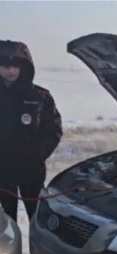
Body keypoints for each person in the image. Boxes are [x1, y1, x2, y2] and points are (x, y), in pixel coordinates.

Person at [0, 40, 62, 222]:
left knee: (37, 219)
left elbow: (54, 130)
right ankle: (10, 252)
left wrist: (36, 156)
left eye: (15, 66)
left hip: (31, 171)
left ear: (24, 66)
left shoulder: (40, 97)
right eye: (4, 65)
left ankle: (38, 250)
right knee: (6, 225)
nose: (10, 71)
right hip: (2, 172)